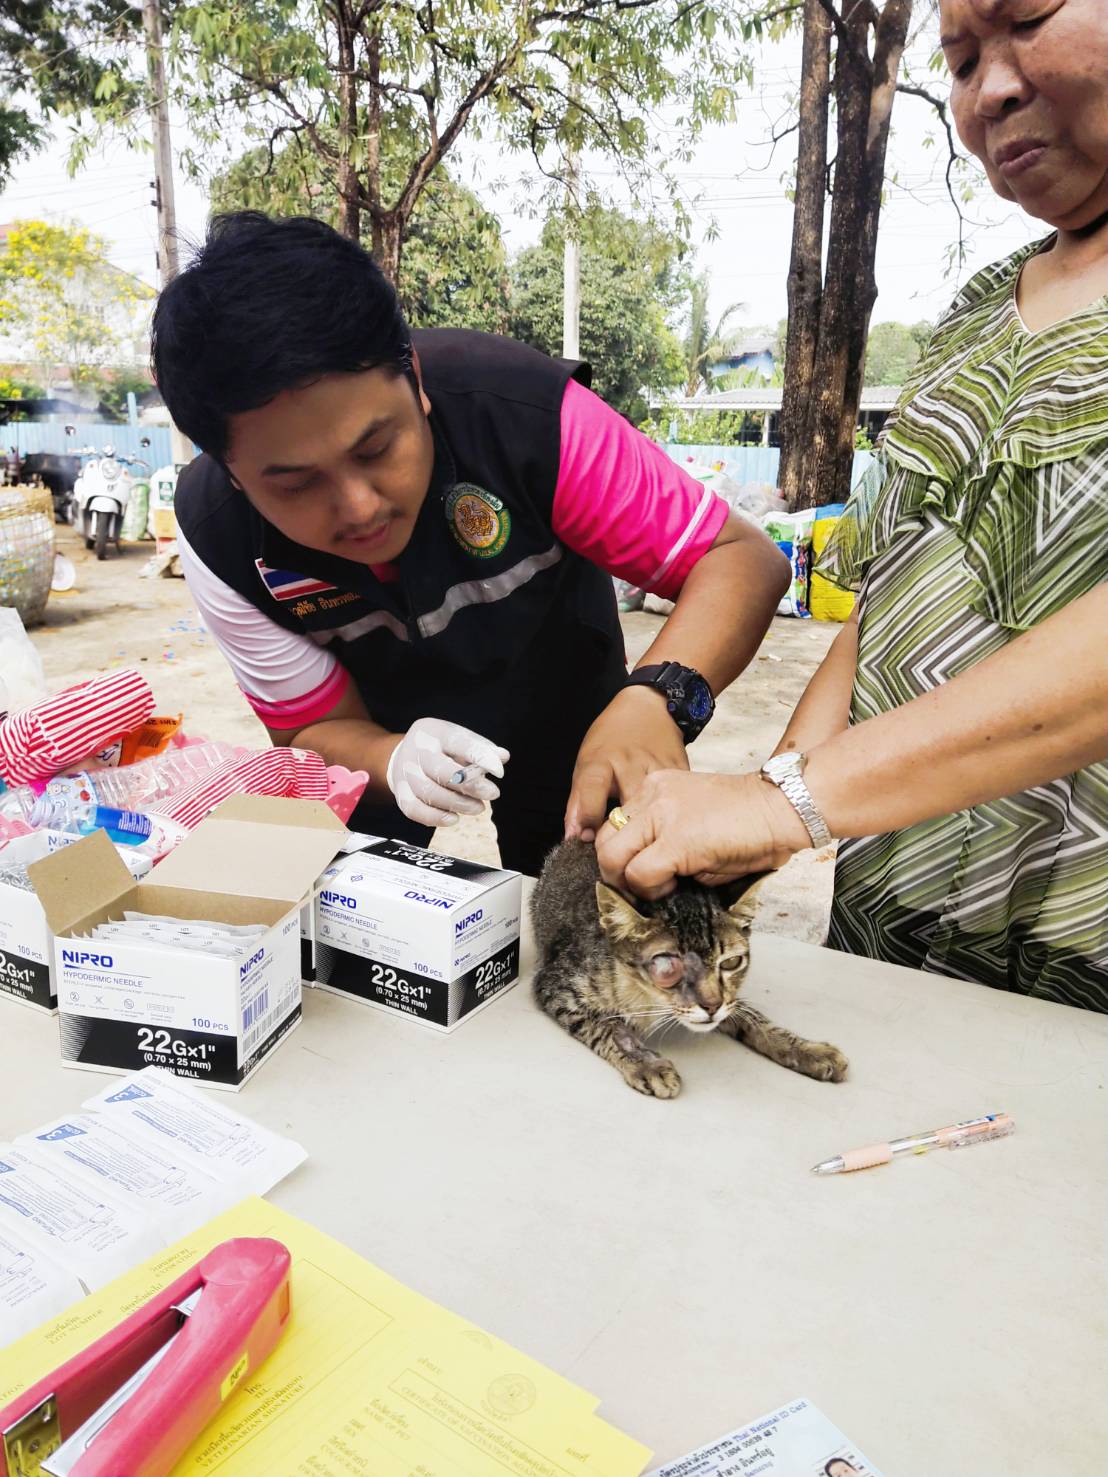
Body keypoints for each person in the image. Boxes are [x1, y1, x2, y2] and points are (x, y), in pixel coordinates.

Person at [598, 0, 1108, 1011]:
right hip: (905, 924)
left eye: (1029, 20)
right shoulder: (974, 311)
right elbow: (896, 601)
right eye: (959, 61)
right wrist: (748, 823)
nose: (989, 89)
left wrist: (783, 803)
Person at [151, 212, 789, 875]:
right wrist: (393, 759)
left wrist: (657, 697)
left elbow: (740, 558)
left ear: (417, 382)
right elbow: (309, 729)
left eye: (376, 447)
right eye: (295, 483)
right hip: (379, 720)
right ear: (231, 472)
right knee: (358, 908)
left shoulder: (530, 421)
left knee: (576, 895)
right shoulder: (217, 534)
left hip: (566, 688)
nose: (360, 507)